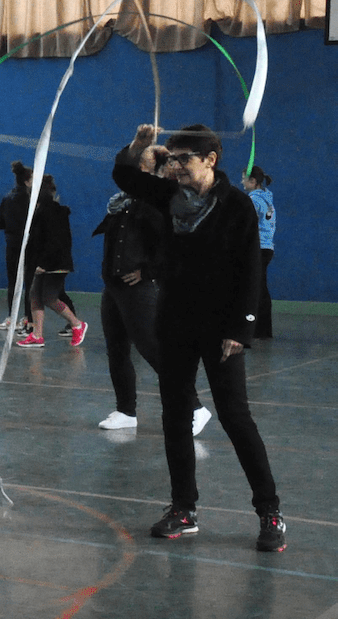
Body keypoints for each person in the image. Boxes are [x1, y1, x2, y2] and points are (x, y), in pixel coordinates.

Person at [113, 124, 285, 552]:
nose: (175, 166)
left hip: (222, 328)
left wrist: (241, 329)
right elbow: (125, 176)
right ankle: (183, 509)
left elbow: (250, 271)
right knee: (175, 417)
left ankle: (270, 511)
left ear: (210, 160)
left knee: (235, 417)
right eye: (171, 159)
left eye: (183, 159)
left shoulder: (237, 206)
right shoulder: (169, 196)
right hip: (175, 324)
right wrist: (138, 146)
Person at [93, 148, 211, 435]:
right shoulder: (121, 203)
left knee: (153, 350)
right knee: (116, 350)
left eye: (143, 164)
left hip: (139, 288)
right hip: (114, 285)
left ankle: (195, 407)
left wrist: (147, 272)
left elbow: (172, 246)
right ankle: (126, 411)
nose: (137, 168)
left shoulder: (160, 202)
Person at [15, 175, 87, 348]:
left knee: (49, 297)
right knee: (34, 295)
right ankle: (37, 335)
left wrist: (44, 264)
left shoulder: (53, 212)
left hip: (55, 264)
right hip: (42, 263)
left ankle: (77, 324)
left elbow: (55, 241)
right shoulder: (39, 212)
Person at [0, 161, 34, 334]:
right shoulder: (33, 200)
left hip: (11, 245)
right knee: (30, 282)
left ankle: (12, 317)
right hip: (30, 245)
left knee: (13, 282)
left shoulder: (7, 198)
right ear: (27, 181)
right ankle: (28, 318)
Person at [242, 165, 275, 339]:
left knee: (255, 288)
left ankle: (258, 329)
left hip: (258, 248)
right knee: (261, 287)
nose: (242, 182)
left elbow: (248, 223)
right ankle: (264, 329)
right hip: (267, 248)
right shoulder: (267, 199)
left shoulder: (254, 200)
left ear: (253, 181)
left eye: (244, 179)